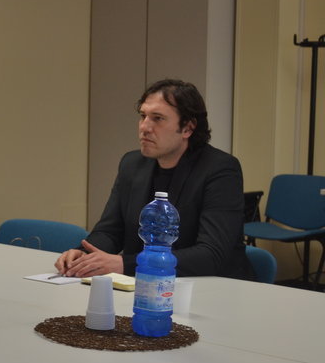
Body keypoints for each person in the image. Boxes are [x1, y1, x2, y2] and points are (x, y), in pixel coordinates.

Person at [55, 79, 253, 280]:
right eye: (143, 116)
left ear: (188, 128)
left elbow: (211, 255)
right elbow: (110, 231)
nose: (145, 127)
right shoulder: (132, 164)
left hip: (211, 287)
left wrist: (125, 264)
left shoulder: (220, 169)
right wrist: (84, 255)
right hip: (146, 284)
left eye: (158, 118)